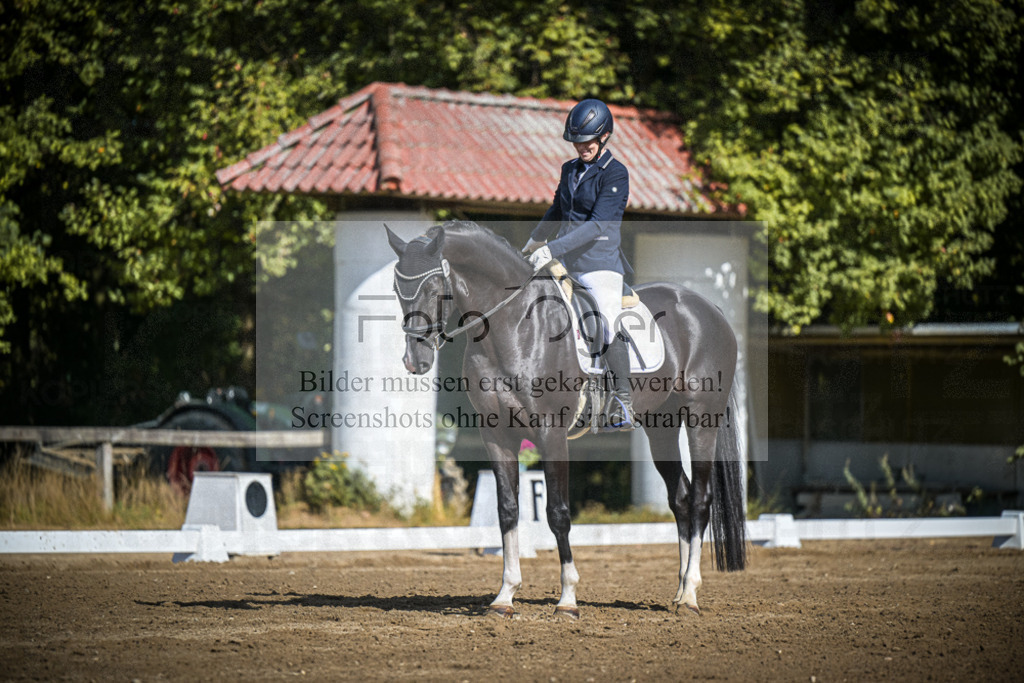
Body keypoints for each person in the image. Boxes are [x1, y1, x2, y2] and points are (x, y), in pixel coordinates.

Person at [524, 98, 635, 431]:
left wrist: (552, 248)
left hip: (600, 264)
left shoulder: (616, 173)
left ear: (604, 137)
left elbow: (598, 224)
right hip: (565, 262)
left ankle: (623, 400)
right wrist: (534, 241)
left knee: (605, 319)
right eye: (576, 141)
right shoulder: (569, 170)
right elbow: (557, 209)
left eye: (587, 141)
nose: (581, 147)